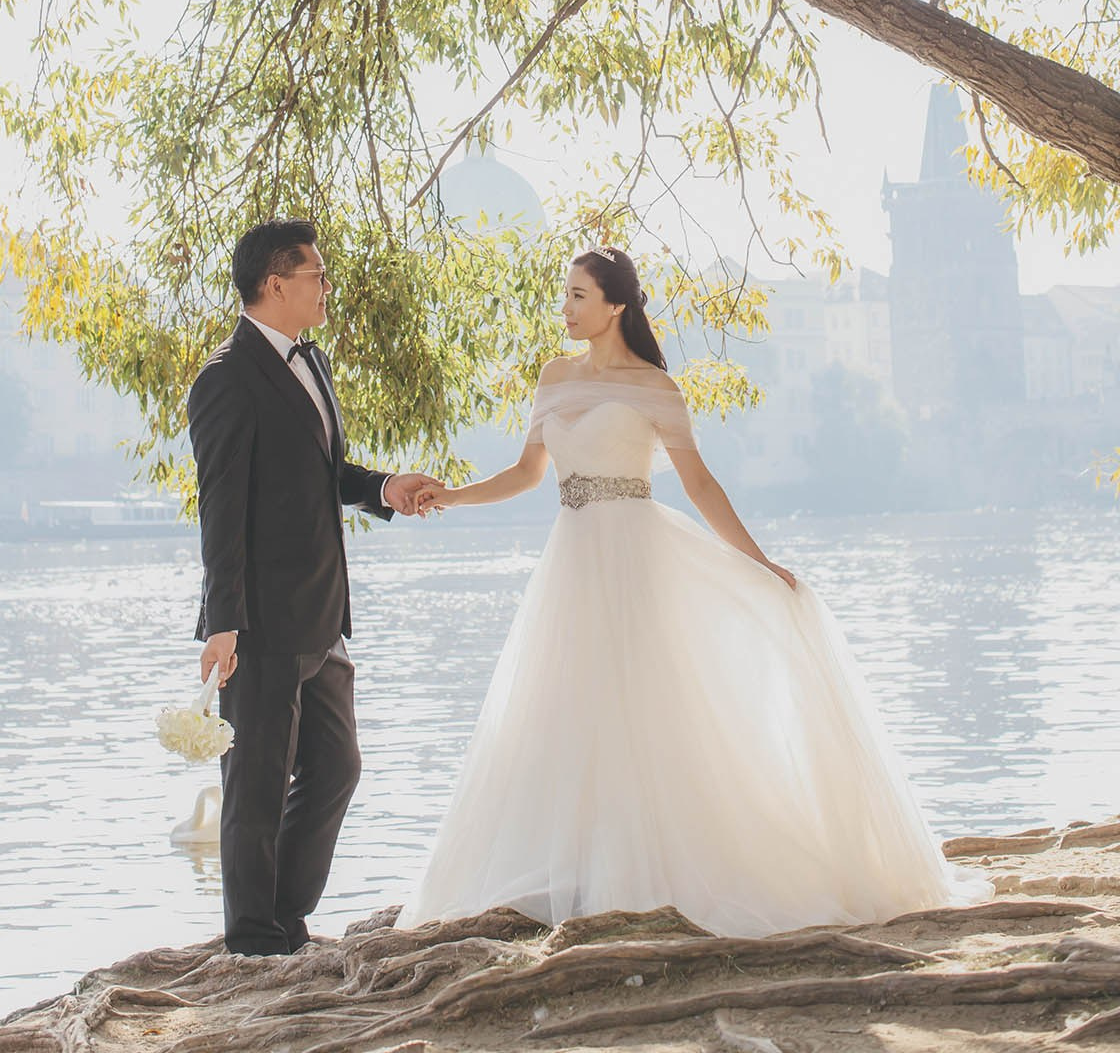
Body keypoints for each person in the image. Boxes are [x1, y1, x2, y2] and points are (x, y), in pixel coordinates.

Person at [399, 246, 982, 934]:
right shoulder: (553, 378)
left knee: (642, 707)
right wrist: (453, 496)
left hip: (636, 557)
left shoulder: (655, 388)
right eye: (566, 294)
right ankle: (585, 871)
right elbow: (530, 472)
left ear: (616, 304)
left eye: (579, 296)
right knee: (566, 706)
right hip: (572, 559)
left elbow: (700, 484)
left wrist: (762, 563)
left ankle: (658, 872)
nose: (566, 307)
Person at [187, 218, 443, 957]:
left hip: (324, 613)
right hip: (260, 622)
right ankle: (254, 941)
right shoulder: (225, 377)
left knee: (337, 766)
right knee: (257, 784)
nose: (327, 287)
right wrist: (224, 622)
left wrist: (386, 486)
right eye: (317, 276)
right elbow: (221, 508)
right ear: (275, 283)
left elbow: (325, 471)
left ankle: (284, 917)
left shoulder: (313, 361)